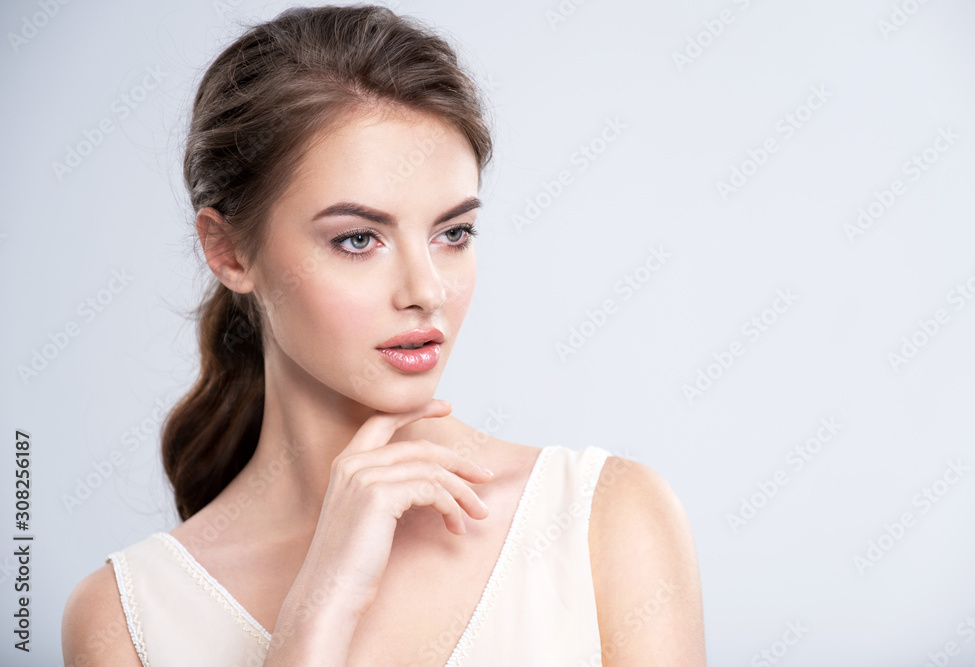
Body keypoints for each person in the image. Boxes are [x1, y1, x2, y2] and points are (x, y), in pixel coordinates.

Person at [61, 5, 705, 665]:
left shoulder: (604, 520)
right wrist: (320, 608)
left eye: (453, 233)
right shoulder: (126, 618)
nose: (427, 290)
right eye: (358, 239)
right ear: (228, 252)